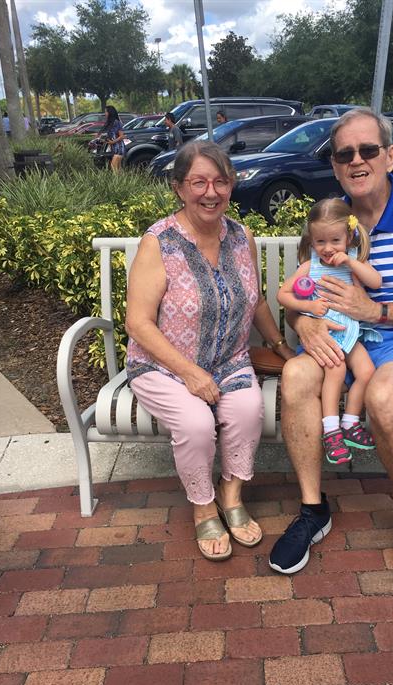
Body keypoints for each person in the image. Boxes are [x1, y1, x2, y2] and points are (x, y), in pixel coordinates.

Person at [270, 107, 393, 581]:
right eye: (345, 153)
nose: (357, 160)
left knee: (382, 395)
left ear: (390, 156)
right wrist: (302, 325)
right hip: (341, 337)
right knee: (297, 375)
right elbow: (297, 295)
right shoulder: (331, 218)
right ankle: (312, 509)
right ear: (336, 164)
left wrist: (375, 311)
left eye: (368, 150)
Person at [125, 140, 294, 561]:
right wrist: (190, 373)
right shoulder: (158, 243)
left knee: (246, 410)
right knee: (197, 423)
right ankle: (203, 506)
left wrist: (278, 345)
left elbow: (254, 301)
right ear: (180, 188)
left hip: (231, 360)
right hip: (161, 367)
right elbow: (138, 323)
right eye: (198, 181)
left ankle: (231, 496)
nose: (211, 192)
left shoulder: (241, 236)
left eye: (221, 181)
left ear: (232, 185)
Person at [277, 198, 381, 466]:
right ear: (311, 242)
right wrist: (308, 305)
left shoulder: (352, 263)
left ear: (349, 236)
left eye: (335, 240)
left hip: (349, 331)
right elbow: (282, 295)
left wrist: (350, 261)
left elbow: (375, 282)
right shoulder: (310, 267)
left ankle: (350, 424)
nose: (327, 248)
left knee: (367, 372)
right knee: (335, 371)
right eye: (320, 242)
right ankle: (331, 431)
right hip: (324, 334)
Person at [102, 105, 125, 172]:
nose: (105, 113)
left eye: (106, 112)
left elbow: (122, 136)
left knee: (113, 167)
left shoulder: (117, 122)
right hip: (114, 148)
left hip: (119, 148)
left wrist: (112, 142)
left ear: (110, 112)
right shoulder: (110, 123)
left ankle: (118, 182)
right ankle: (123, 181)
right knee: (118, 169)